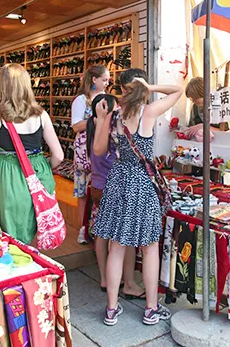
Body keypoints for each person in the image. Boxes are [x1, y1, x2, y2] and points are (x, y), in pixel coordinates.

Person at [93, 68, 183, 326]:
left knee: (117, 246)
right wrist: (151, 87)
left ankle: (111, 309)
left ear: (121, 89)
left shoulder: (114, 115)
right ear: (141, 87)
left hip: (118, 179)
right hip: (142, 182)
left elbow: (98, 150)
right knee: (150, 246)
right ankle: (151, 308)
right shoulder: (148, 112)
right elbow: (178, 90)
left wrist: (101, 119)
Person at [0, 63, 64, 244]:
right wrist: (43, 167)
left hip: (10, 175)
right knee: (37, 226)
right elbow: (59, 155)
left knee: (13, 236)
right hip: (40, 173)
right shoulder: (41, 114)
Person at [85, 93, 144, 298]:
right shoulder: (110, 129)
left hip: (97, 187)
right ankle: (128, 282)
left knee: (102, 235)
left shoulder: (93, 127)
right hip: (113, 188)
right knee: (122, 238)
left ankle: (104, 278)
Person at [71, 65, 110, 244]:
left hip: (101, 153)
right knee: (83, 193)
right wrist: (96, 120)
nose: (107, 83)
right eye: (104, 80)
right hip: (84, 153)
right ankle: (83, 228)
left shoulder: (107, 99)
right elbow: (75, 126)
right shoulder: (82, 100)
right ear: (94, 80)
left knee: (98, 190)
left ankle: (98, 228)